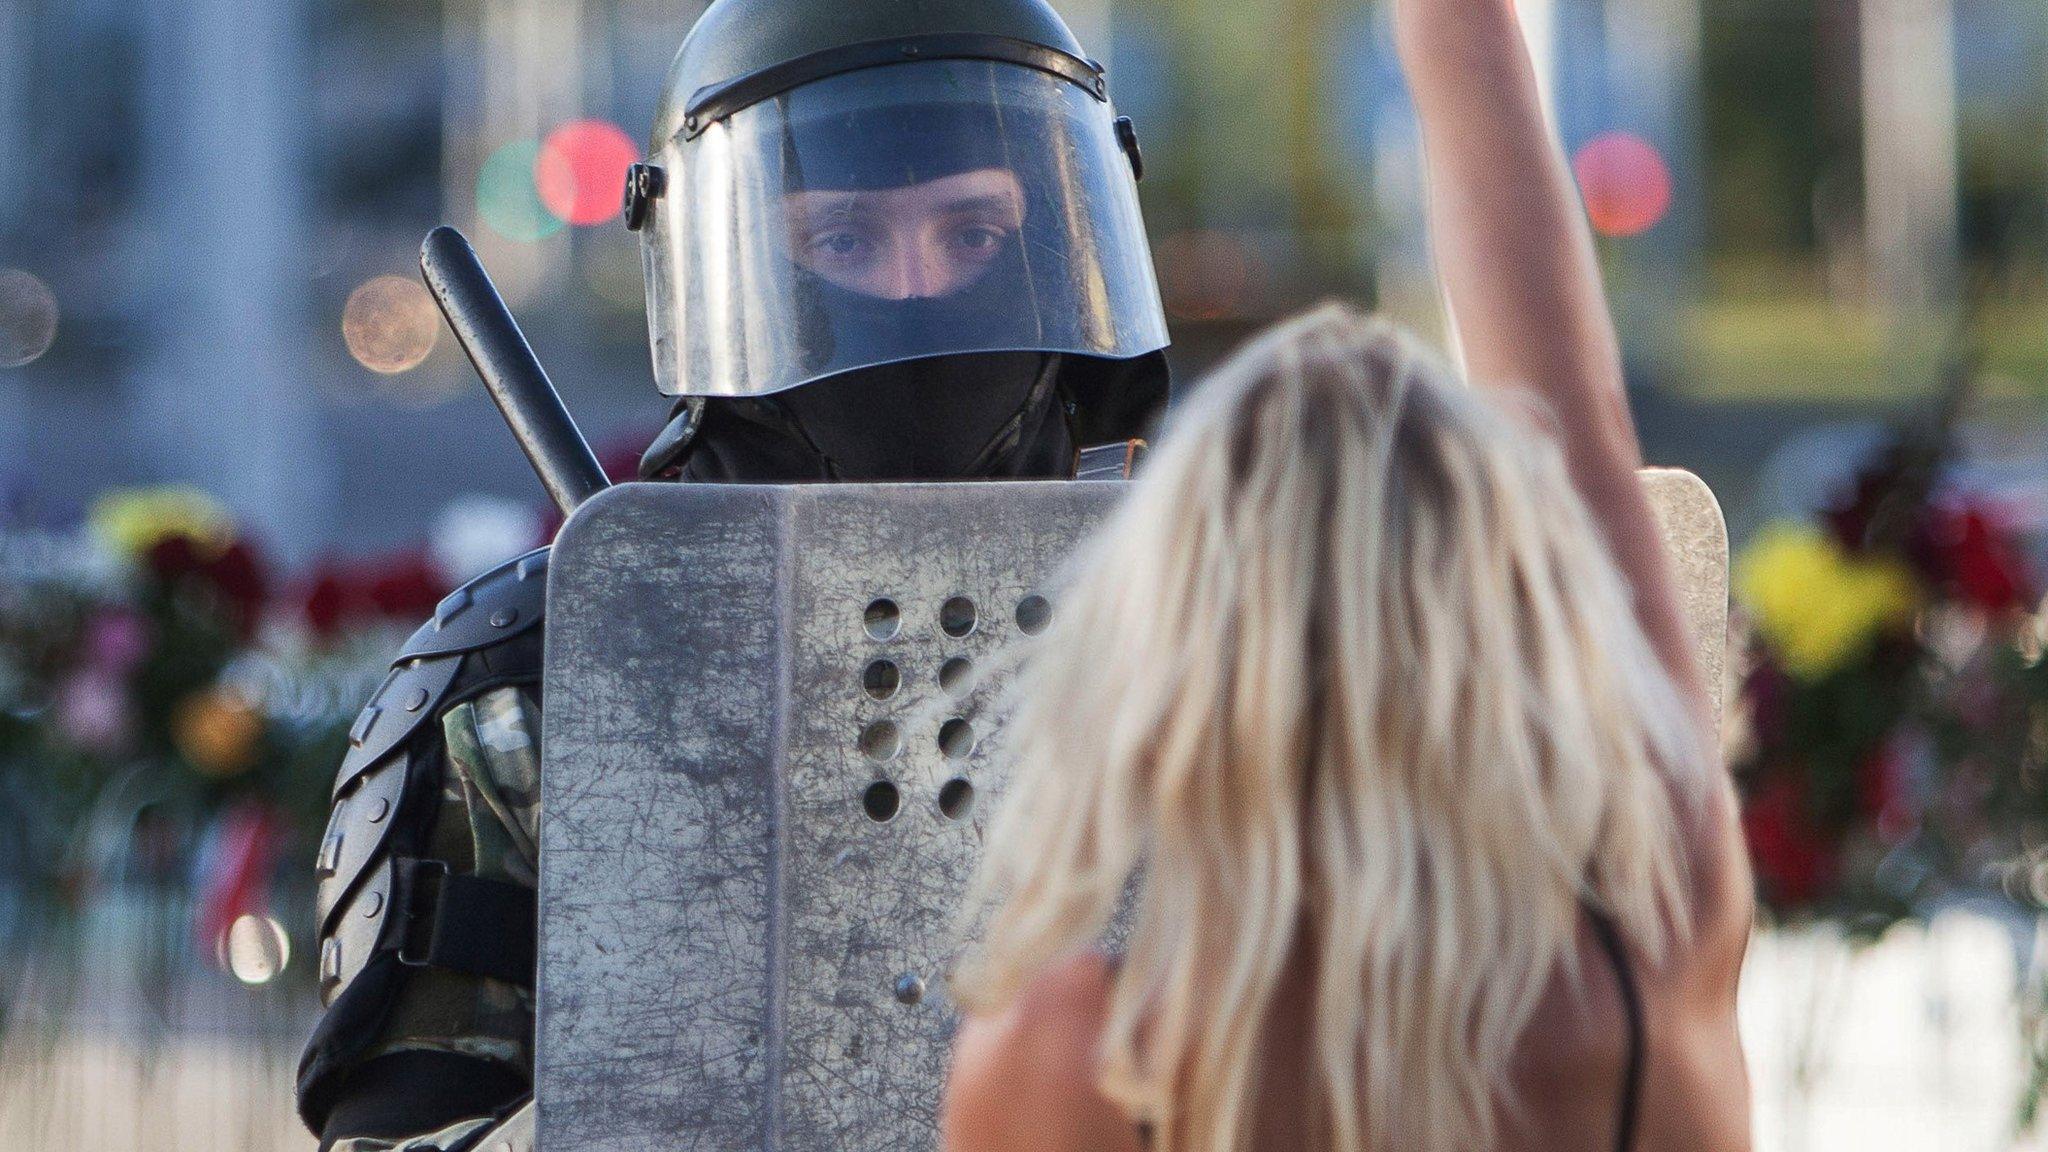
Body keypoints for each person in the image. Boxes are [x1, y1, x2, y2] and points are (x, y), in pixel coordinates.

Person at [297, 0, 1171, 1148]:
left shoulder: (1211, 654)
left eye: (973, 237)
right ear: (728, 259)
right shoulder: (535, 677)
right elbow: (397, 1132)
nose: (911, 296)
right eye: (842, 242)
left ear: (1063, 245)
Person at [940, 0, 1753, 1149]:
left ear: (1161, 639)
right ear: (1510, 613)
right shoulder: (1653, 923)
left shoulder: (1080, 1055)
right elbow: (1575, 413)